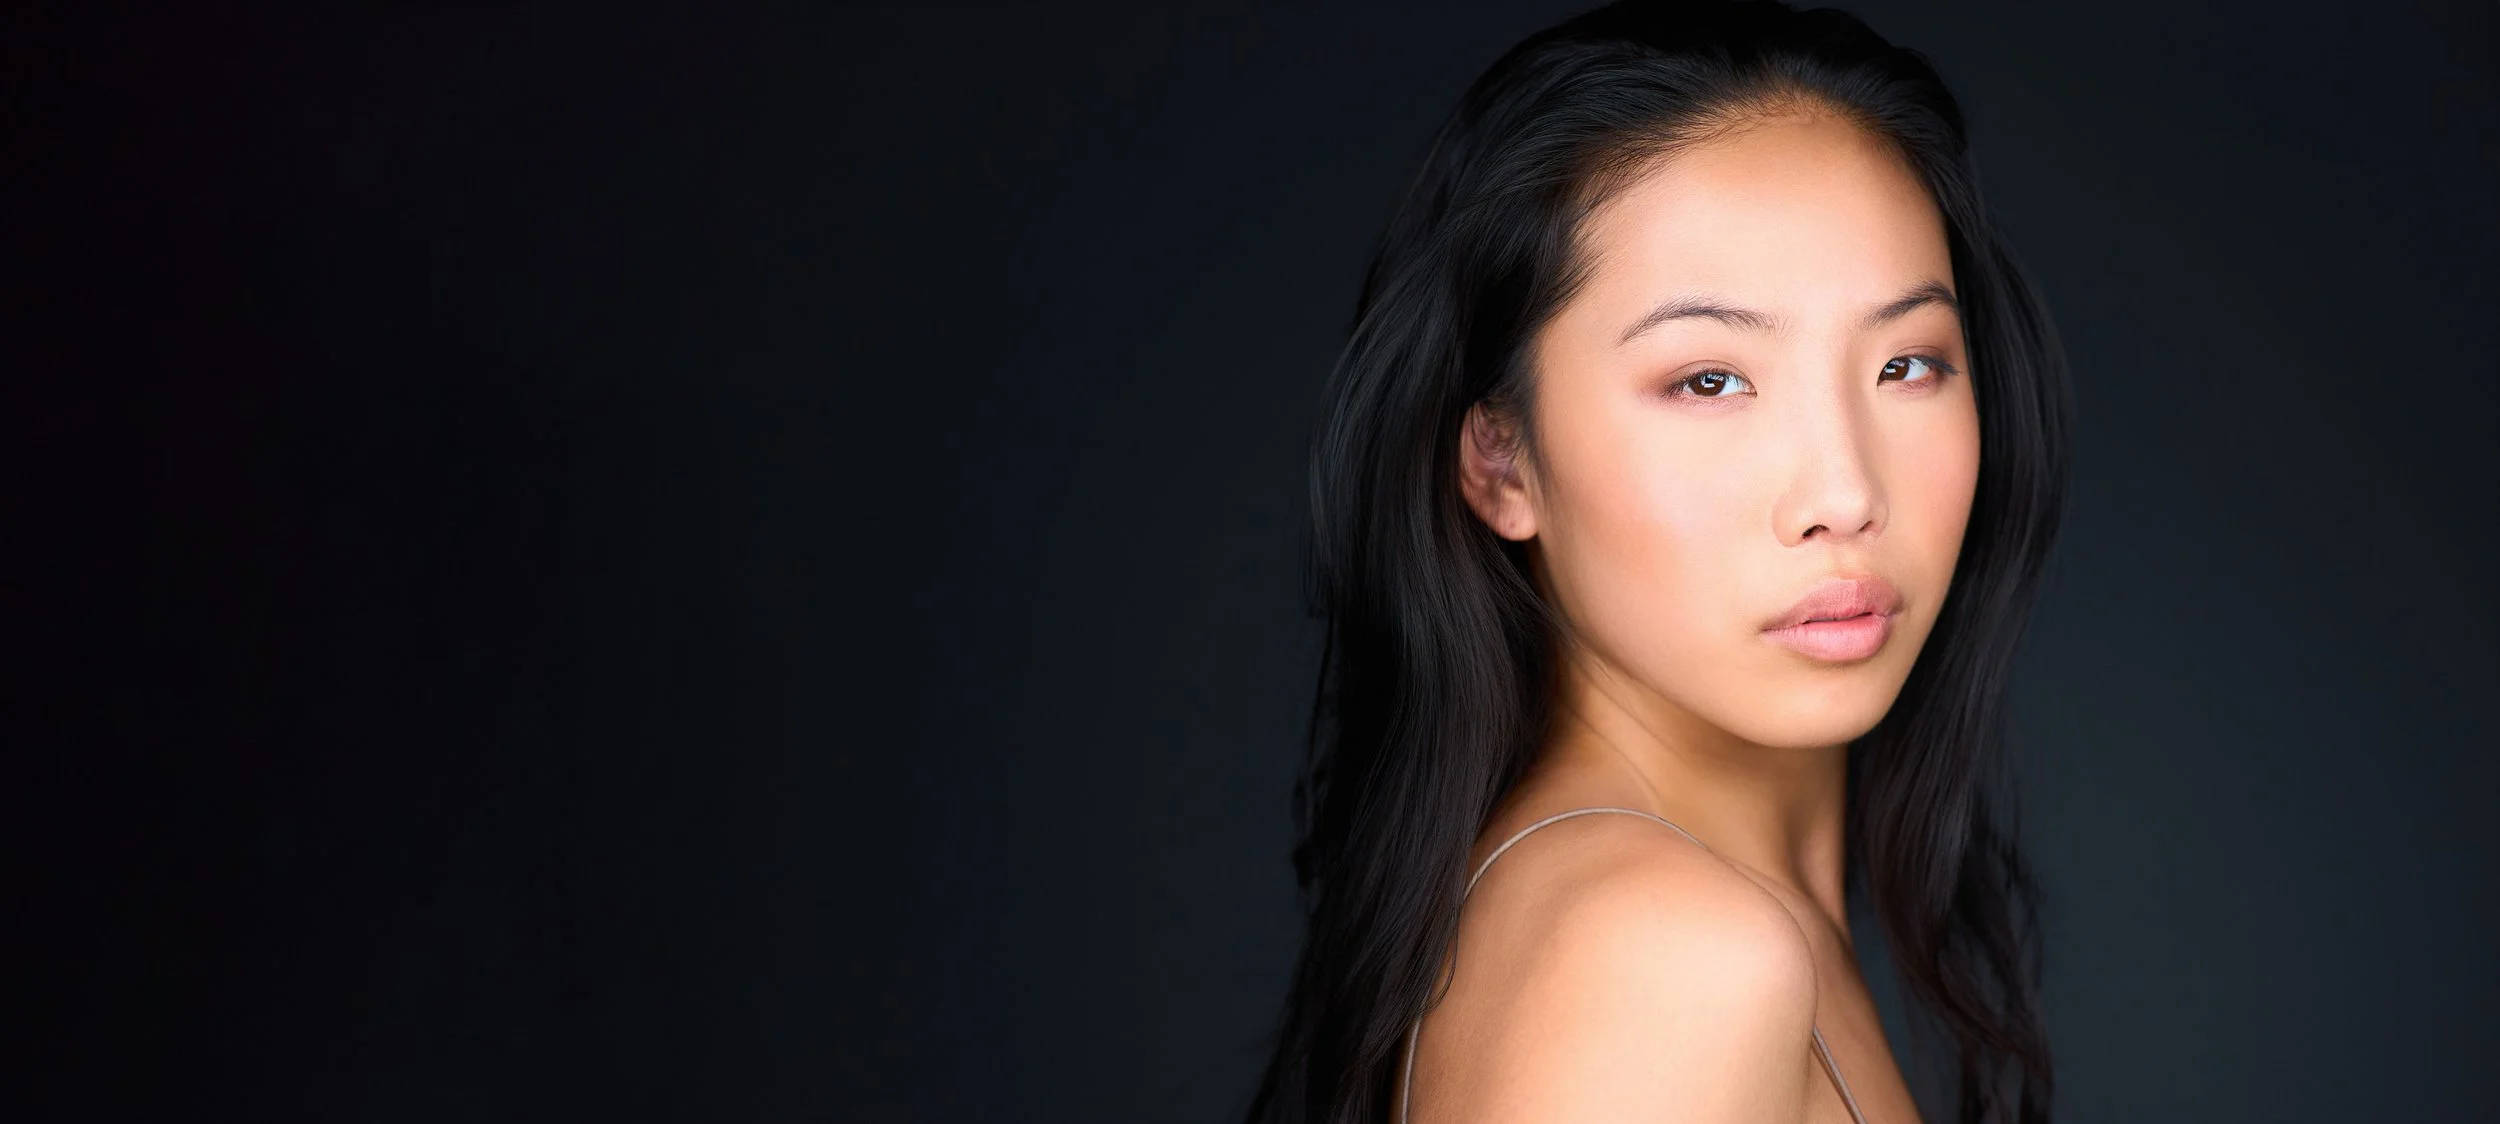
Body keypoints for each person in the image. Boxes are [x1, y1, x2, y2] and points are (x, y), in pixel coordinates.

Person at [1239, 2, 2070, 1122]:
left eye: (1907, 364)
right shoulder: (1664, 955)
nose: (1844, 495)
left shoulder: (1689, 915)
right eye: (1708, 381)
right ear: (1500, 461)